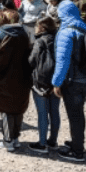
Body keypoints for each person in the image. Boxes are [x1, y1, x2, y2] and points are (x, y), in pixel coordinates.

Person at [0, 9, 32, 152]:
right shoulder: (24, 34)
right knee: (18, 108)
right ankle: (15, 138)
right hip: (22, 76)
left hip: (3, 77)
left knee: (5, 109)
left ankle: (7, 141)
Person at [51, 0, 86, 162]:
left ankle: (77, 151)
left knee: (74, 115)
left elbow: (62, 60)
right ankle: (77, 142)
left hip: (72, 81)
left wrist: (56, 82)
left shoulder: (66, 32)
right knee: (78, 113)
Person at [28, 16, 60, 153]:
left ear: (42, 27)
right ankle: (52, 141)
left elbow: (32, 60)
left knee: (42, 113)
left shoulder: (40, 41)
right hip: (56, 82)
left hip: (40, 82)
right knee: (54, 112)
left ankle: (42, 143)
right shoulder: (58, 39)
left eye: (36, 25)